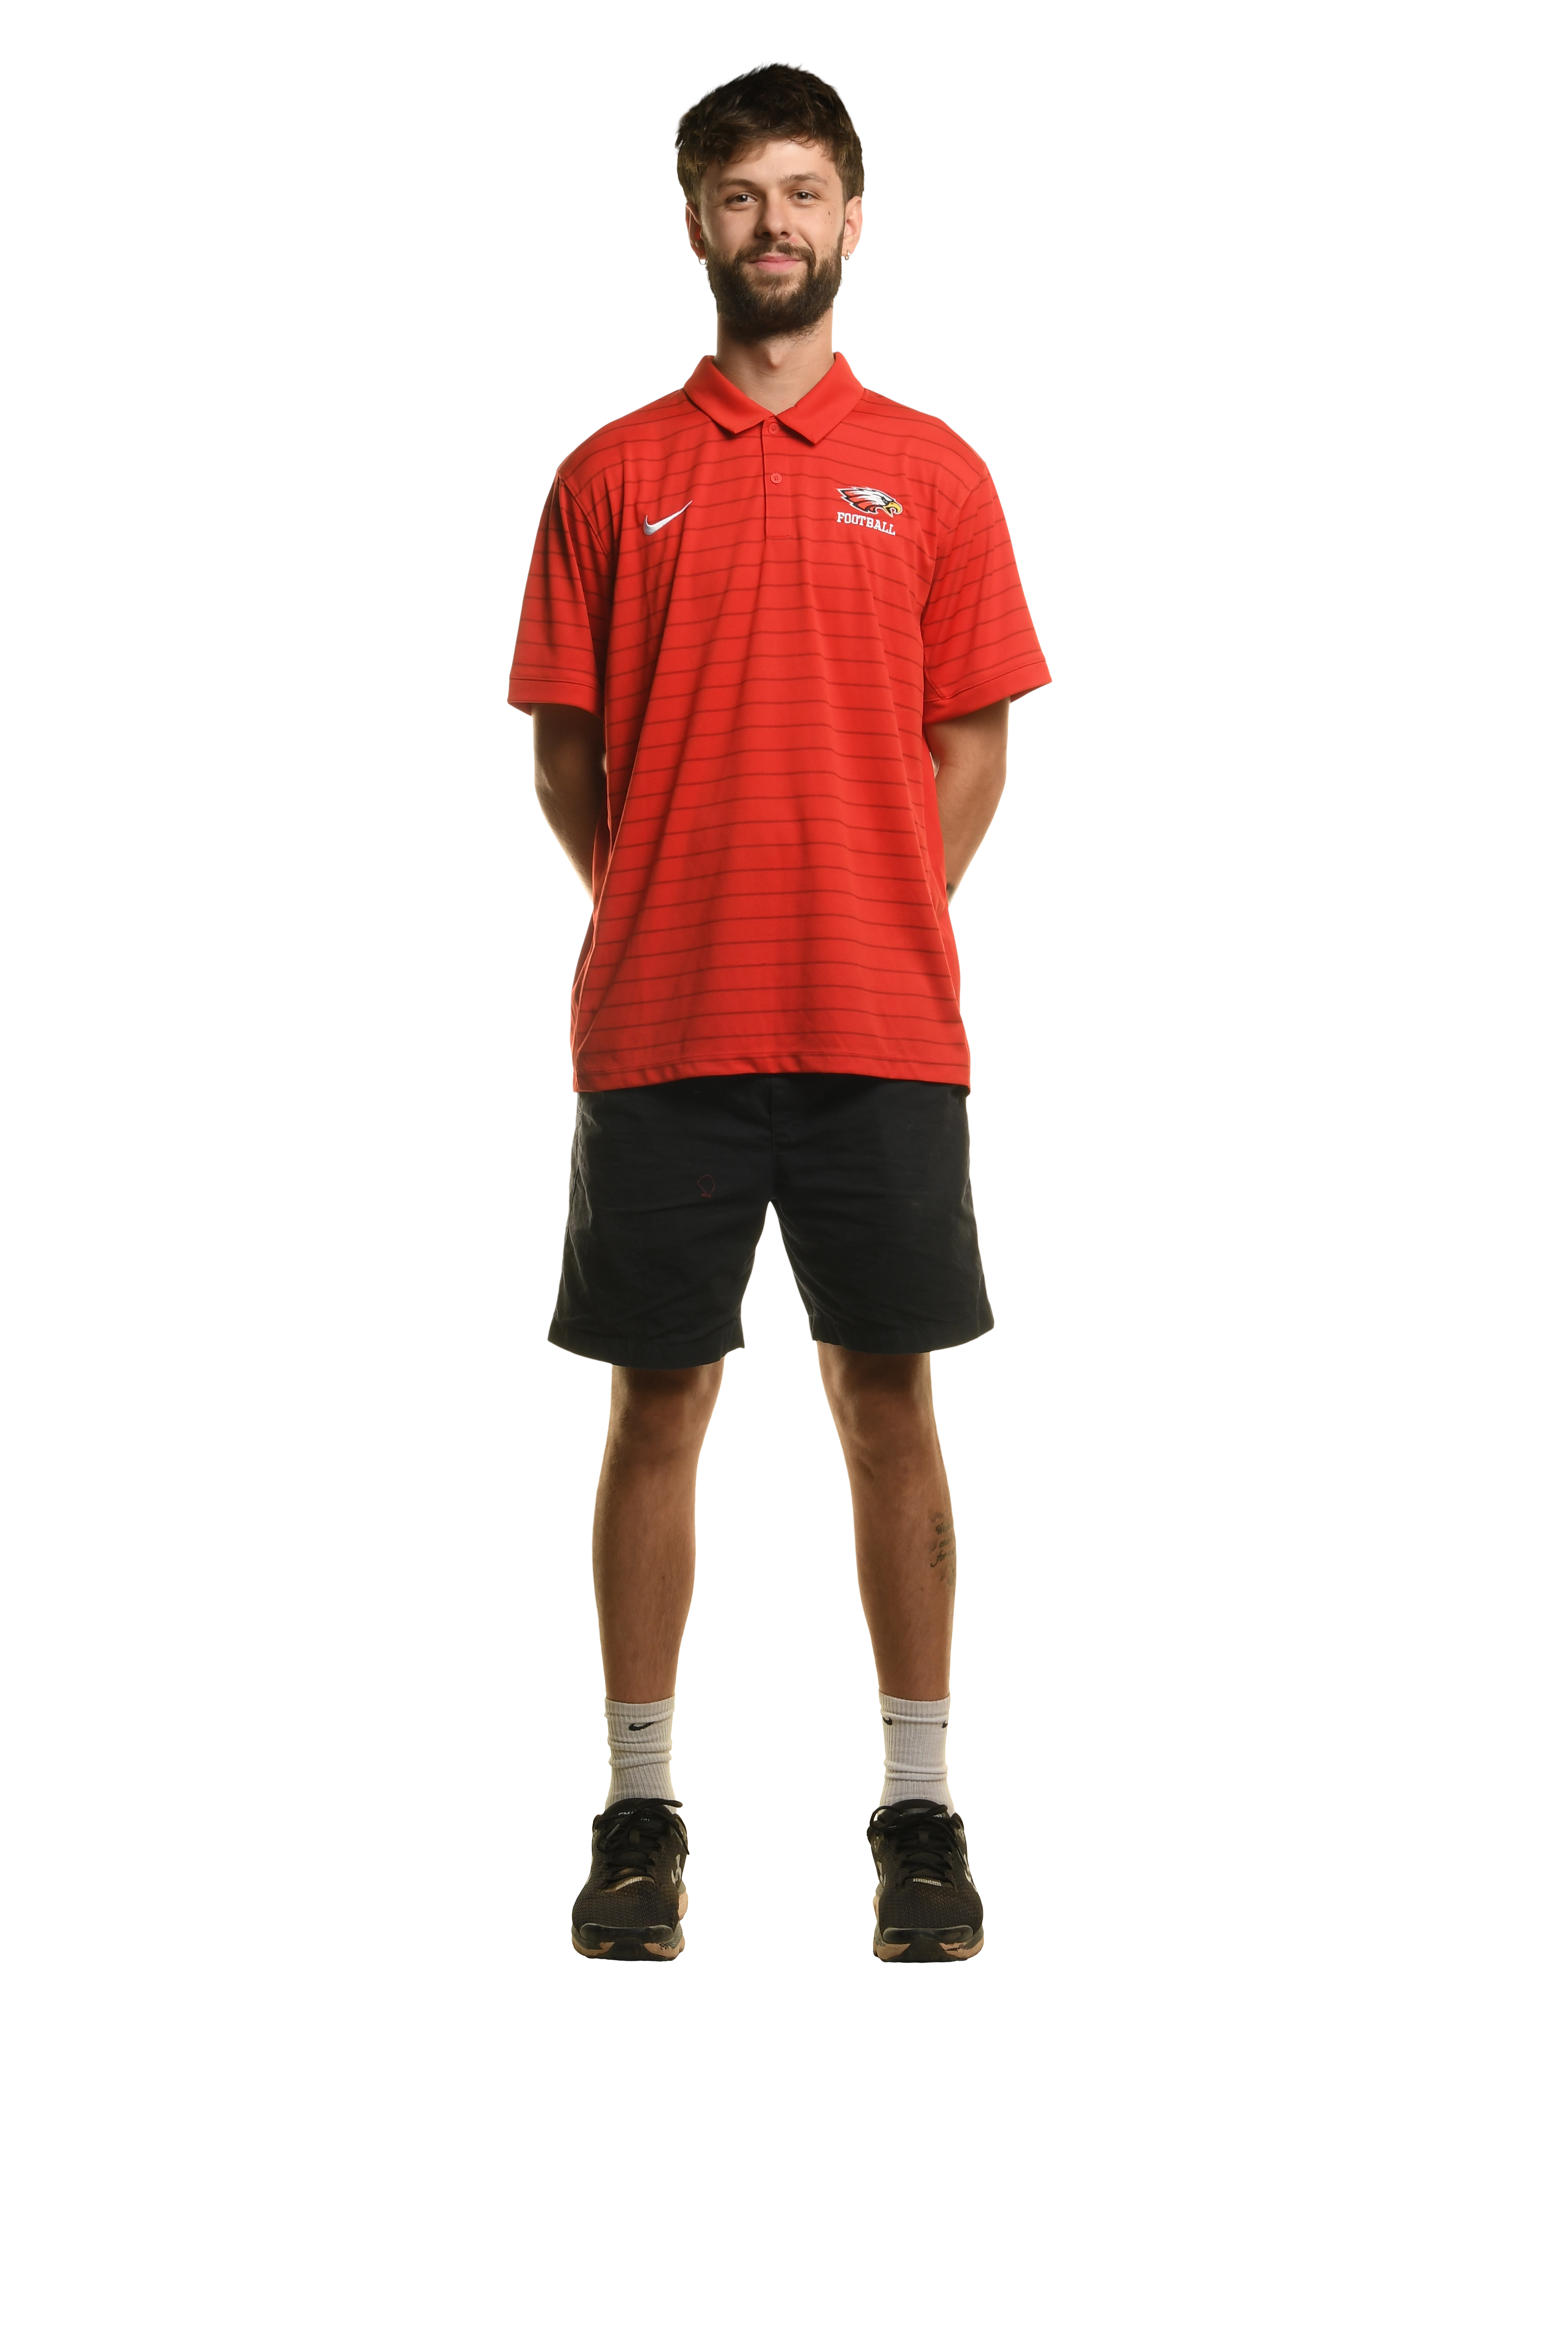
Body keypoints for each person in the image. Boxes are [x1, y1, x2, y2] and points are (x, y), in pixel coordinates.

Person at [507, 59, 1051, 1960]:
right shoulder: (608, 477)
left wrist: (873, 902)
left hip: (880, 1032)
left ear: (853, 216)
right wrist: (671, 900)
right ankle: (638, 1812)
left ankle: (920, 1810)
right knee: (656, 1403)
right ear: (693, 221)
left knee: (888, 1398)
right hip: (661, 1030)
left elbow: (972, 746)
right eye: (740, 195)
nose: (774, 227)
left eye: (804, 193)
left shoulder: (937, 471)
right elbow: (566, 755)